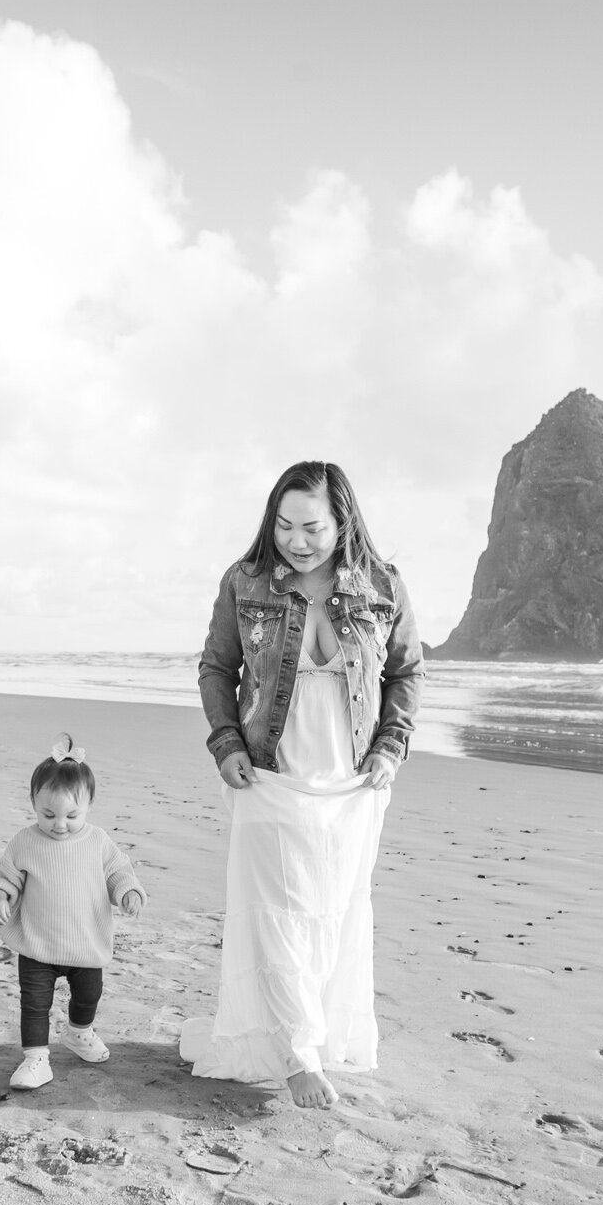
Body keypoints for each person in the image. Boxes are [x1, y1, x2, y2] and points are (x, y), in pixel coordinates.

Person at [181, 461, 423, 1109]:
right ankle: (298, 1055)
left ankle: (312, 1035)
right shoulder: (245, 582)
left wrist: (392, 747)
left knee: (332, 914)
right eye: (284, 525)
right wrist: (227, 742)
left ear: (343, 522)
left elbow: (407, 673)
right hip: (268, 776)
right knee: (276, 913)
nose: (296, 540)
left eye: (312, 527)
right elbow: (216, 668)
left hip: (352, 785)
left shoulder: (383, 585)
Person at [0, 734, 146, 1090]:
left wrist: (128, 892)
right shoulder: (26, 840)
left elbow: (118, 871)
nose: (59, 824)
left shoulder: (97, 841)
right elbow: (7, 876)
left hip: (85, 943)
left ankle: (78, 1032)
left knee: (89, 994)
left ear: (89, 804)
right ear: (33, 803)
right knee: (34, 1004)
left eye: (72, 815)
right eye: (48, 815)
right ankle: (35, 1058)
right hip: (37, 944)